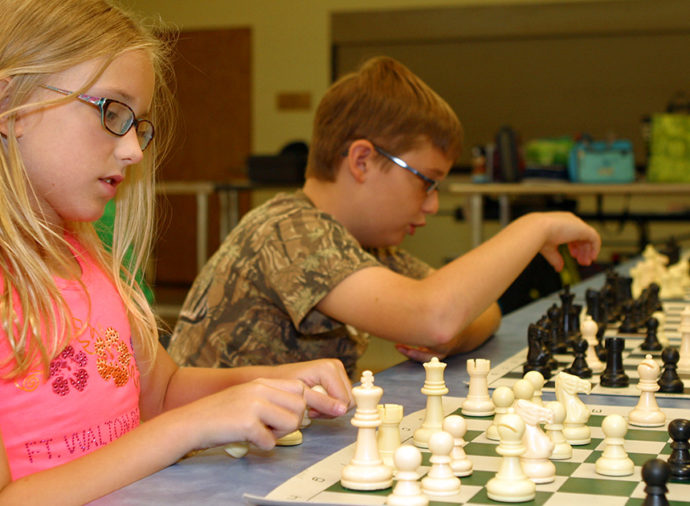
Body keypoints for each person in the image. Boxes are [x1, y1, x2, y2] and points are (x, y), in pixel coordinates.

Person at [0, 1, 353, 503]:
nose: (133, 151)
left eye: (138, 125)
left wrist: (269, 382)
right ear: (11, 106)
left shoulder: (89, 257)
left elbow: (163, 392)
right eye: (111, 112)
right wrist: (186, 429)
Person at [167, 56, 601, 377]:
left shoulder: (365, 247)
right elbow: (434, 314)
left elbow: (477, 309)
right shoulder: (289, 231)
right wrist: (534, 226)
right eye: (425, 181)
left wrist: (451, 336)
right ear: (362, 161)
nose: (431, 204)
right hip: (204, 469)